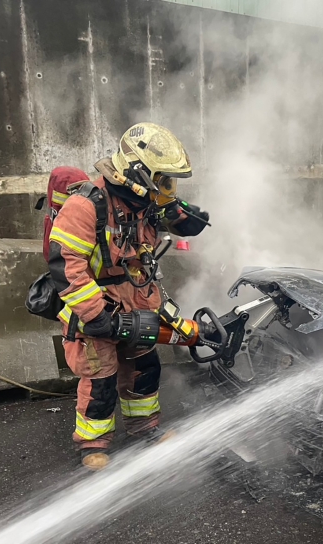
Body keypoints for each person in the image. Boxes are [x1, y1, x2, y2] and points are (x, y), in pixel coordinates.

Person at [48, 122, 210, 470]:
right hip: (96, 304)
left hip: (137, 300)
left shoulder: (143, 203)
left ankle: (144, 429)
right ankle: (93, 443)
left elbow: (168, 222)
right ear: (139, 172)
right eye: (164, 180)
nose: (168, 188)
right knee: (101, 378)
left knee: (143, 368)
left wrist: (184, 217)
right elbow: (66, 266)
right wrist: (96, 314)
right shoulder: (85, 206)